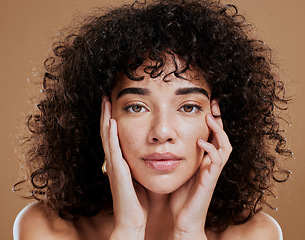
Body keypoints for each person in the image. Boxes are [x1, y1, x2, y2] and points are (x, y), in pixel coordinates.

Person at [13, 0, 291, 239]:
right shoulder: (46, 228)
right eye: (136, 107)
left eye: (189, 107)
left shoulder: (254, 234)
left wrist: (189, 233)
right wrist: (128, 230)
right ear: (100, 117)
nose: (162, 132)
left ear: (219, 119)